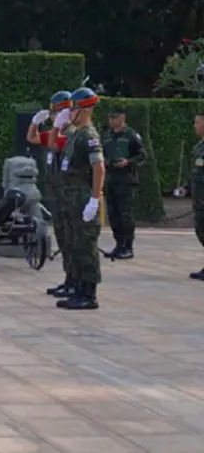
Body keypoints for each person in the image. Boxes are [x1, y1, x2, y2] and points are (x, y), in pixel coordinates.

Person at [55, 87, 106, 310]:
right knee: (75, 245)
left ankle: (89, 294)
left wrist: (94, 199)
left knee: (86, 246)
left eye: (73, 108)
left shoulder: (90, 136)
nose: (70, 112)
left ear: (84, 110)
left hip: (84, 197)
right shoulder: (77, 133)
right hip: (72, 198)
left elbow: (99, 168)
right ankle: (78, 288)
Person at [27, 91, 74, 298]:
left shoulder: (71, 135)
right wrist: (34, 123)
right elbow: (32, 138)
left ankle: (75, 282)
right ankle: (68, 280)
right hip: (56, 192)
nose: (54, 117)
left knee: (72, 241)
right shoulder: (57, 133)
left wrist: (56, 127)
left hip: (69, 193)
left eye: (57, 113)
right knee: (63, 241)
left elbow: (55, 143)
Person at [101, 106, 146, 260]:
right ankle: (118, 244)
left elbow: (141, 155)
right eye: (110, 118)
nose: (111, 121)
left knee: (125, 214)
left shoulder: (131, 135)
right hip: (110, 178)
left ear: (122, 118)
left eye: (114, 118)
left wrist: (128, 162)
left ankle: (128, 246)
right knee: (113, 214)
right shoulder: (106, 135)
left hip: (125, 180)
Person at [189, 113, 204, 281]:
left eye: (198, 122)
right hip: (199, 197)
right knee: (201, 230)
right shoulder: (199, 146)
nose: (195, 126)